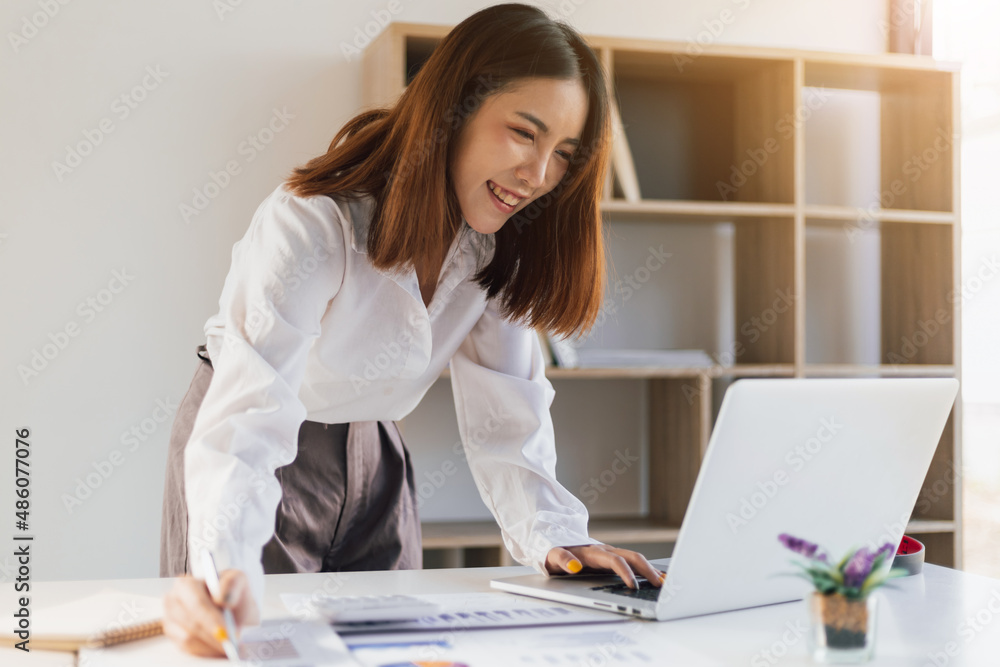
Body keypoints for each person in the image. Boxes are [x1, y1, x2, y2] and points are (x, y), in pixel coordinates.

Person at [160, 3, 666, 657]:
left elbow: (509, 414)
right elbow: (248, 416)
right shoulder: (314, 224)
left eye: (563, 154)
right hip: (259, 440)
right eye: (523, 132)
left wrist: (559, 537)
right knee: (250, 640)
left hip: (377, 454)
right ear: (454, 110)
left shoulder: (495, 247)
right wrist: (222, 565)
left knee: (399, 648)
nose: (538, 175)